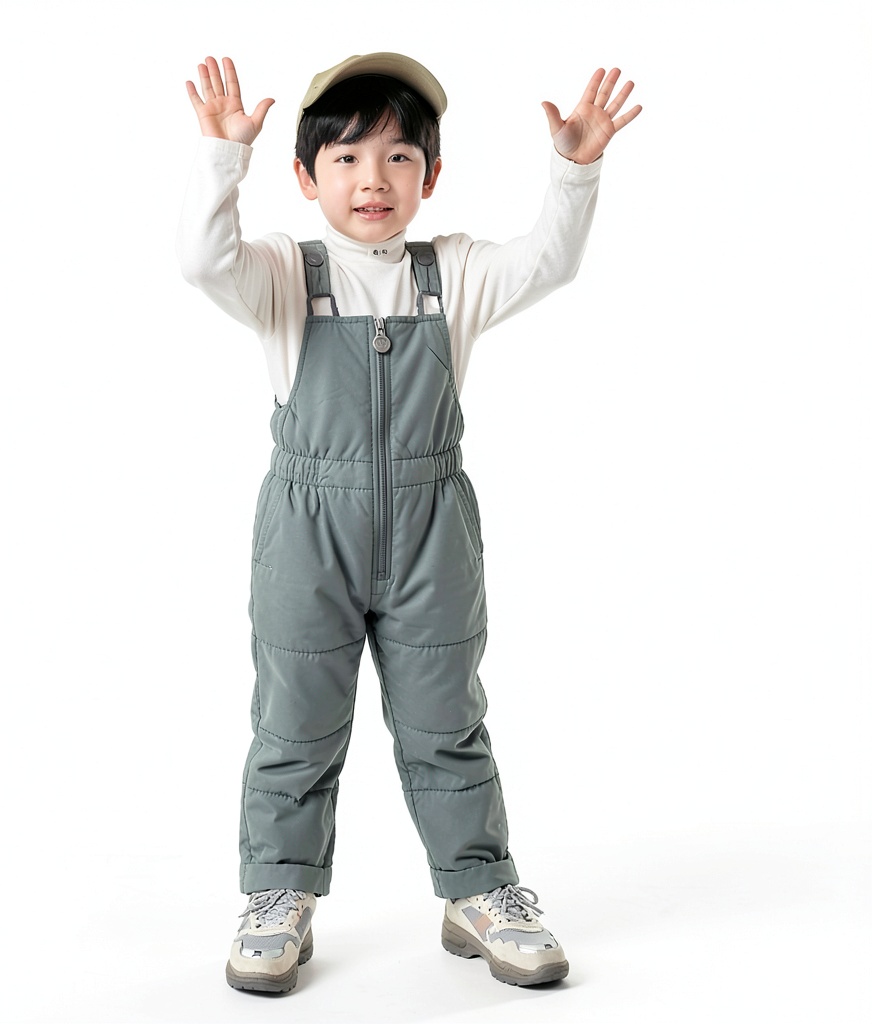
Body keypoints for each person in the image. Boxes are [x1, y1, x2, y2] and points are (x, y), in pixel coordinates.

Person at [177, 52, 641, 994]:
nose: (373, 179)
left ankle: (478, 890)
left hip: (433, 532)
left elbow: (550, 262)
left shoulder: (452, 272)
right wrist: (224, 160)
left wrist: (575, 170)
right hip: (307, 534)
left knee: (447, 721)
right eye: (346, 158)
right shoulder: (283, 274)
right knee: (295, 723)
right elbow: (202, 261)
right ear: (305, 177)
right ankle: (278, 893)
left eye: (398, 157)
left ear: (430, 177)